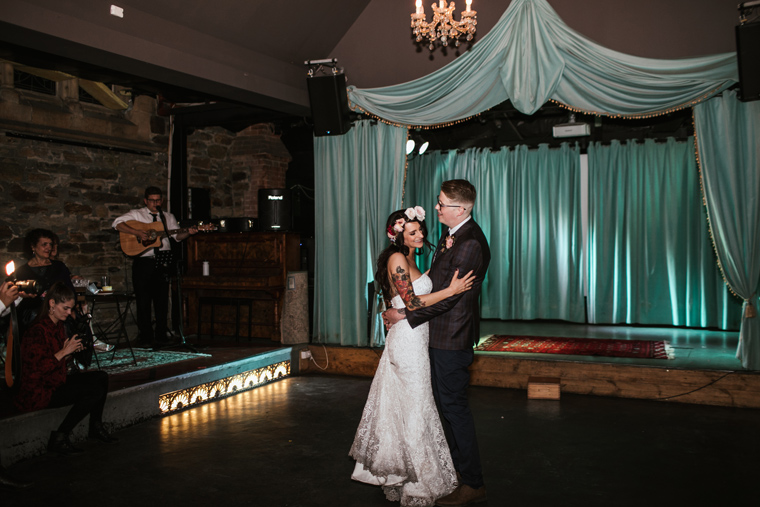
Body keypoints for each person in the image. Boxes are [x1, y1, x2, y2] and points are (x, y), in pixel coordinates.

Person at [350, 206, 476, 507]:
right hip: (407, 342)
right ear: (398, 235)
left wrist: (443, 255)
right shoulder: (396, 258)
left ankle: (414, 472)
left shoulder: (408, 259)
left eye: (421, 229)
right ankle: (417, 483)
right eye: (413, 231)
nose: (420, 234)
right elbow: (413, 300)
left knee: (416, 406)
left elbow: (421, 283)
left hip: (417, 338)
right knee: (417, 407)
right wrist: (452, 289)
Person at [384, 180, 491, 507]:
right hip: (435, 335)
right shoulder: (453, 237)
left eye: (442, 204)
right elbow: (437, 281)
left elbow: (452, 297)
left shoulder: (470, 243)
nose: (437, 208)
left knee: (454, 409)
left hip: (450, 338)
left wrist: (405, 315)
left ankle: (472, 482)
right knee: (445, 407)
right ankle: (458, 472)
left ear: (460, 209)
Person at [14, 282, 116, 455]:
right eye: (66, 308)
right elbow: (36, 371)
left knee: (101, 377)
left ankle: (95, 427)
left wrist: (72, 352)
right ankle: (60, 436)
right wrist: (64, 352)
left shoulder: (58, 326)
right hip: (39, 391)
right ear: (52, 304)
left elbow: (59, 362)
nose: (69, 313)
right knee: (93, 391)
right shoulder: (37, 331)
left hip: (55, 381)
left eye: (71, 308)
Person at [113, 186, 197, 349]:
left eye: (158, 200)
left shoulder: (167, 217)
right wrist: (137, 232)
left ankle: (161, 334)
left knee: (162, 299)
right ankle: (145, 336)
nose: (155, 203)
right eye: (152, 200)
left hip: (163, 261)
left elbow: (177, 237)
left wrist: (189, 232)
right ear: (145, 200)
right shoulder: (137, 214)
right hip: (144, 262)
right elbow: (116, 223)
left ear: (162, 201)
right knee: (143, 300)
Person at [13, 228, 76, 338]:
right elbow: (20, 298)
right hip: (33, 318)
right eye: (44, 244)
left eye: (50, 244)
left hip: (60, 315)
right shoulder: (22, 271)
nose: (48, 247)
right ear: (33, 246)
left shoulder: (59, 266)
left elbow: (70, 291)